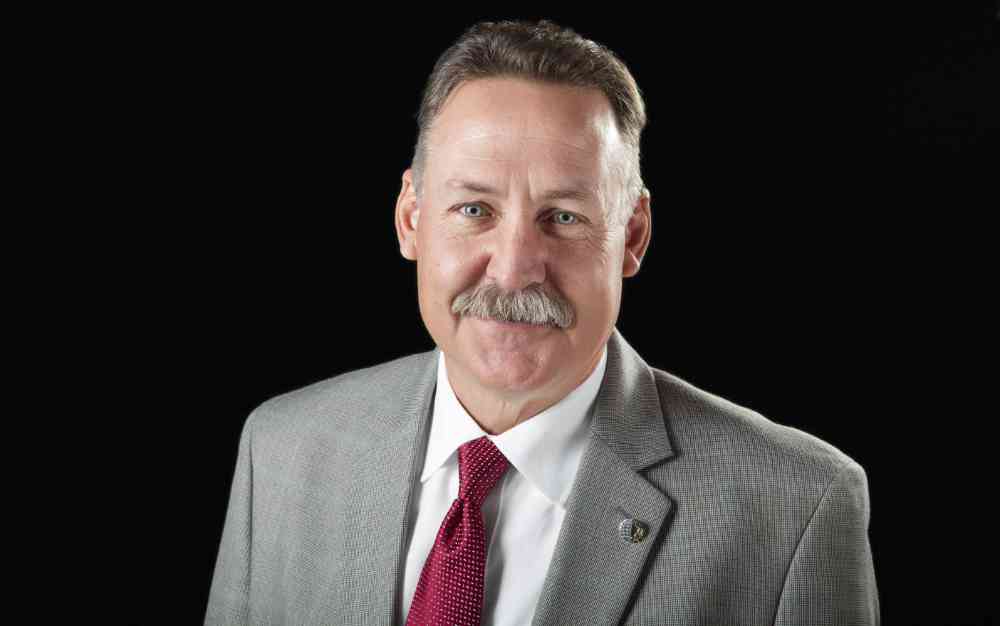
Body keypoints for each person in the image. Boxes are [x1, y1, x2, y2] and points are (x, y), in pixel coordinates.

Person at [205, 18, 879, 626]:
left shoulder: (798, 507)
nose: (514, 269)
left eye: (563, 217)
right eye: (475, 210)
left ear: (633, 236)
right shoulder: (281, 449)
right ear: (411, 219)